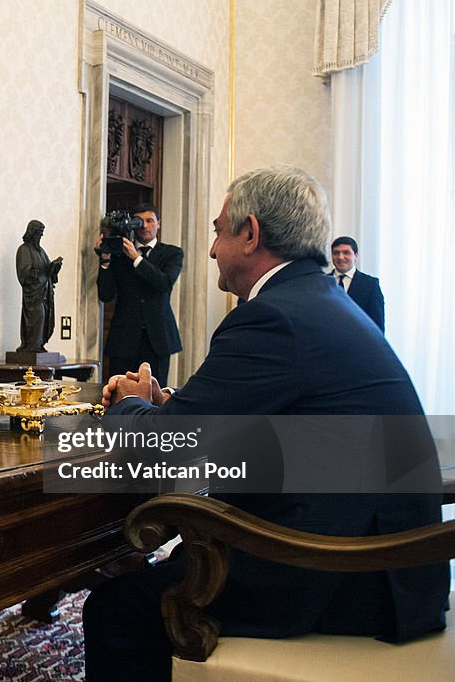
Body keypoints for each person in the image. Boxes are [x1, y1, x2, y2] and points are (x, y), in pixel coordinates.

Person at [83, 166, 447, 681]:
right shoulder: (319, 301)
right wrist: (173, 403)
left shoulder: (272, 316)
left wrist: (129, 402)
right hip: (386, 566)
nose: (210, 250)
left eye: (217, 230)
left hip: (340, 576)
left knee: (114, 609)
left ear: (250, 234)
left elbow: (165, 453)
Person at [96, 202, 182, 386]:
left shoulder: (172, 253)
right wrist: (104, 261)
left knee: (154, 395)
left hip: (157, 340)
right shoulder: (119, 254)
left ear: (159, 223)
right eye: (139, 221)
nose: (144, 226)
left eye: (150, 220)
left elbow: (163, 284)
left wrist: (136, 258)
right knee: (120, 394)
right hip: (124, 338)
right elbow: (106, 294)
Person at [15, 219, 63, 353]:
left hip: (45, 292)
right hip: (33, 295)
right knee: (38, 316)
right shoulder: (24, 250)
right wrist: (33, 274)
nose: (40, 236)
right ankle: (31, 346)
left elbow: (47, 271)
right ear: (32, 233)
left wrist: (54, 268)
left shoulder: (41, 251)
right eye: (38, 233)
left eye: (42, 234)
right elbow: (24, 273)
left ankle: (39, 344)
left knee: (45, 317)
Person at [331, 235, 385, 331]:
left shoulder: (370, 285)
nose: (340, 257)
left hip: (359, 343)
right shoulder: (322, 281)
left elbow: (377, 325)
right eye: (336, 253)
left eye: (346, 253)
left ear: (356, 256)